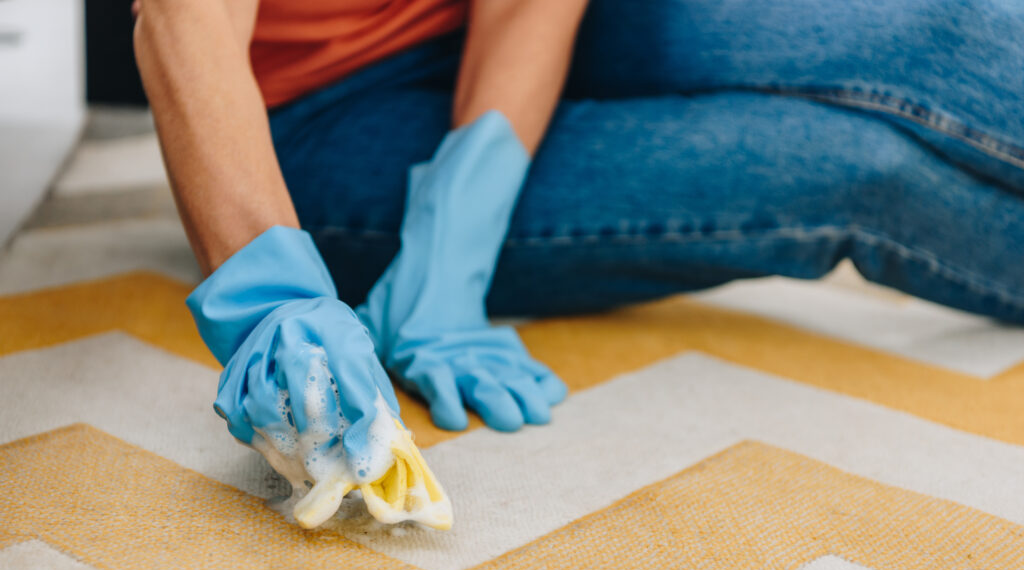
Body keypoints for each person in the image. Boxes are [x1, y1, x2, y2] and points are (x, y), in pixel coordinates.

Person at [134, 0, 1024, 474]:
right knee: (849, 169)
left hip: (515, 26)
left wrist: (463, 224)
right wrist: (270, 289)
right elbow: (188, 16)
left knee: (949, 25)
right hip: (322, 117)